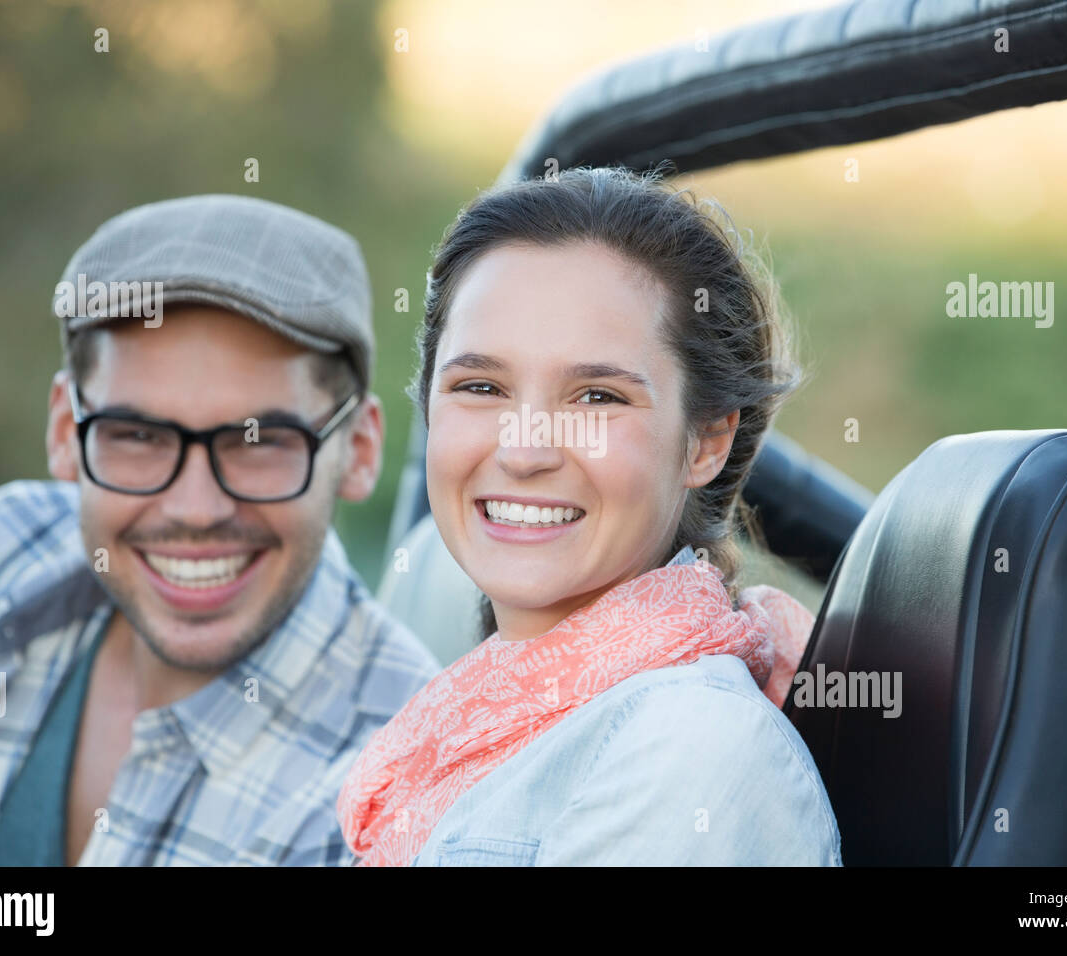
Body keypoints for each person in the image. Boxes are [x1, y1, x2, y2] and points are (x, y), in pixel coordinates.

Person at [0, 195, 439, 865]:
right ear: (66, 432)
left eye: (259, 440)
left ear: (359, 449)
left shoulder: (401, 791)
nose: (195, 508)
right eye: (138, 435)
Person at [337, 167, 842, 866]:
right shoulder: (474, 716)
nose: (524, 450)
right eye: (480, 386)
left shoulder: (689, 751)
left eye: (596, 398)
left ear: (707, 442)